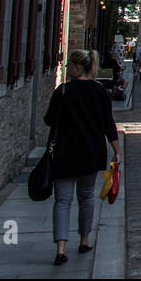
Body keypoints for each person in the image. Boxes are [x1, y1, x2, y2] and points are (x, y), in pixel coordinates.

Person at [43, 49, 120, 266]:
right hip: (91, 152)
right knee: (86, 197)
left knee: (62, 201)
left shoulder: (63, 91)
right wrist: (117, 150)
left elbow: (49, 120)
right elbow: (108, 123)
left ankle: (61, 247)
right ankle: (85, 239)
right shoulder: (99, 91)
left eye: (69, 65)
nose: (67, 68)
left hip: (65, 153)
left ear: (78, 67)